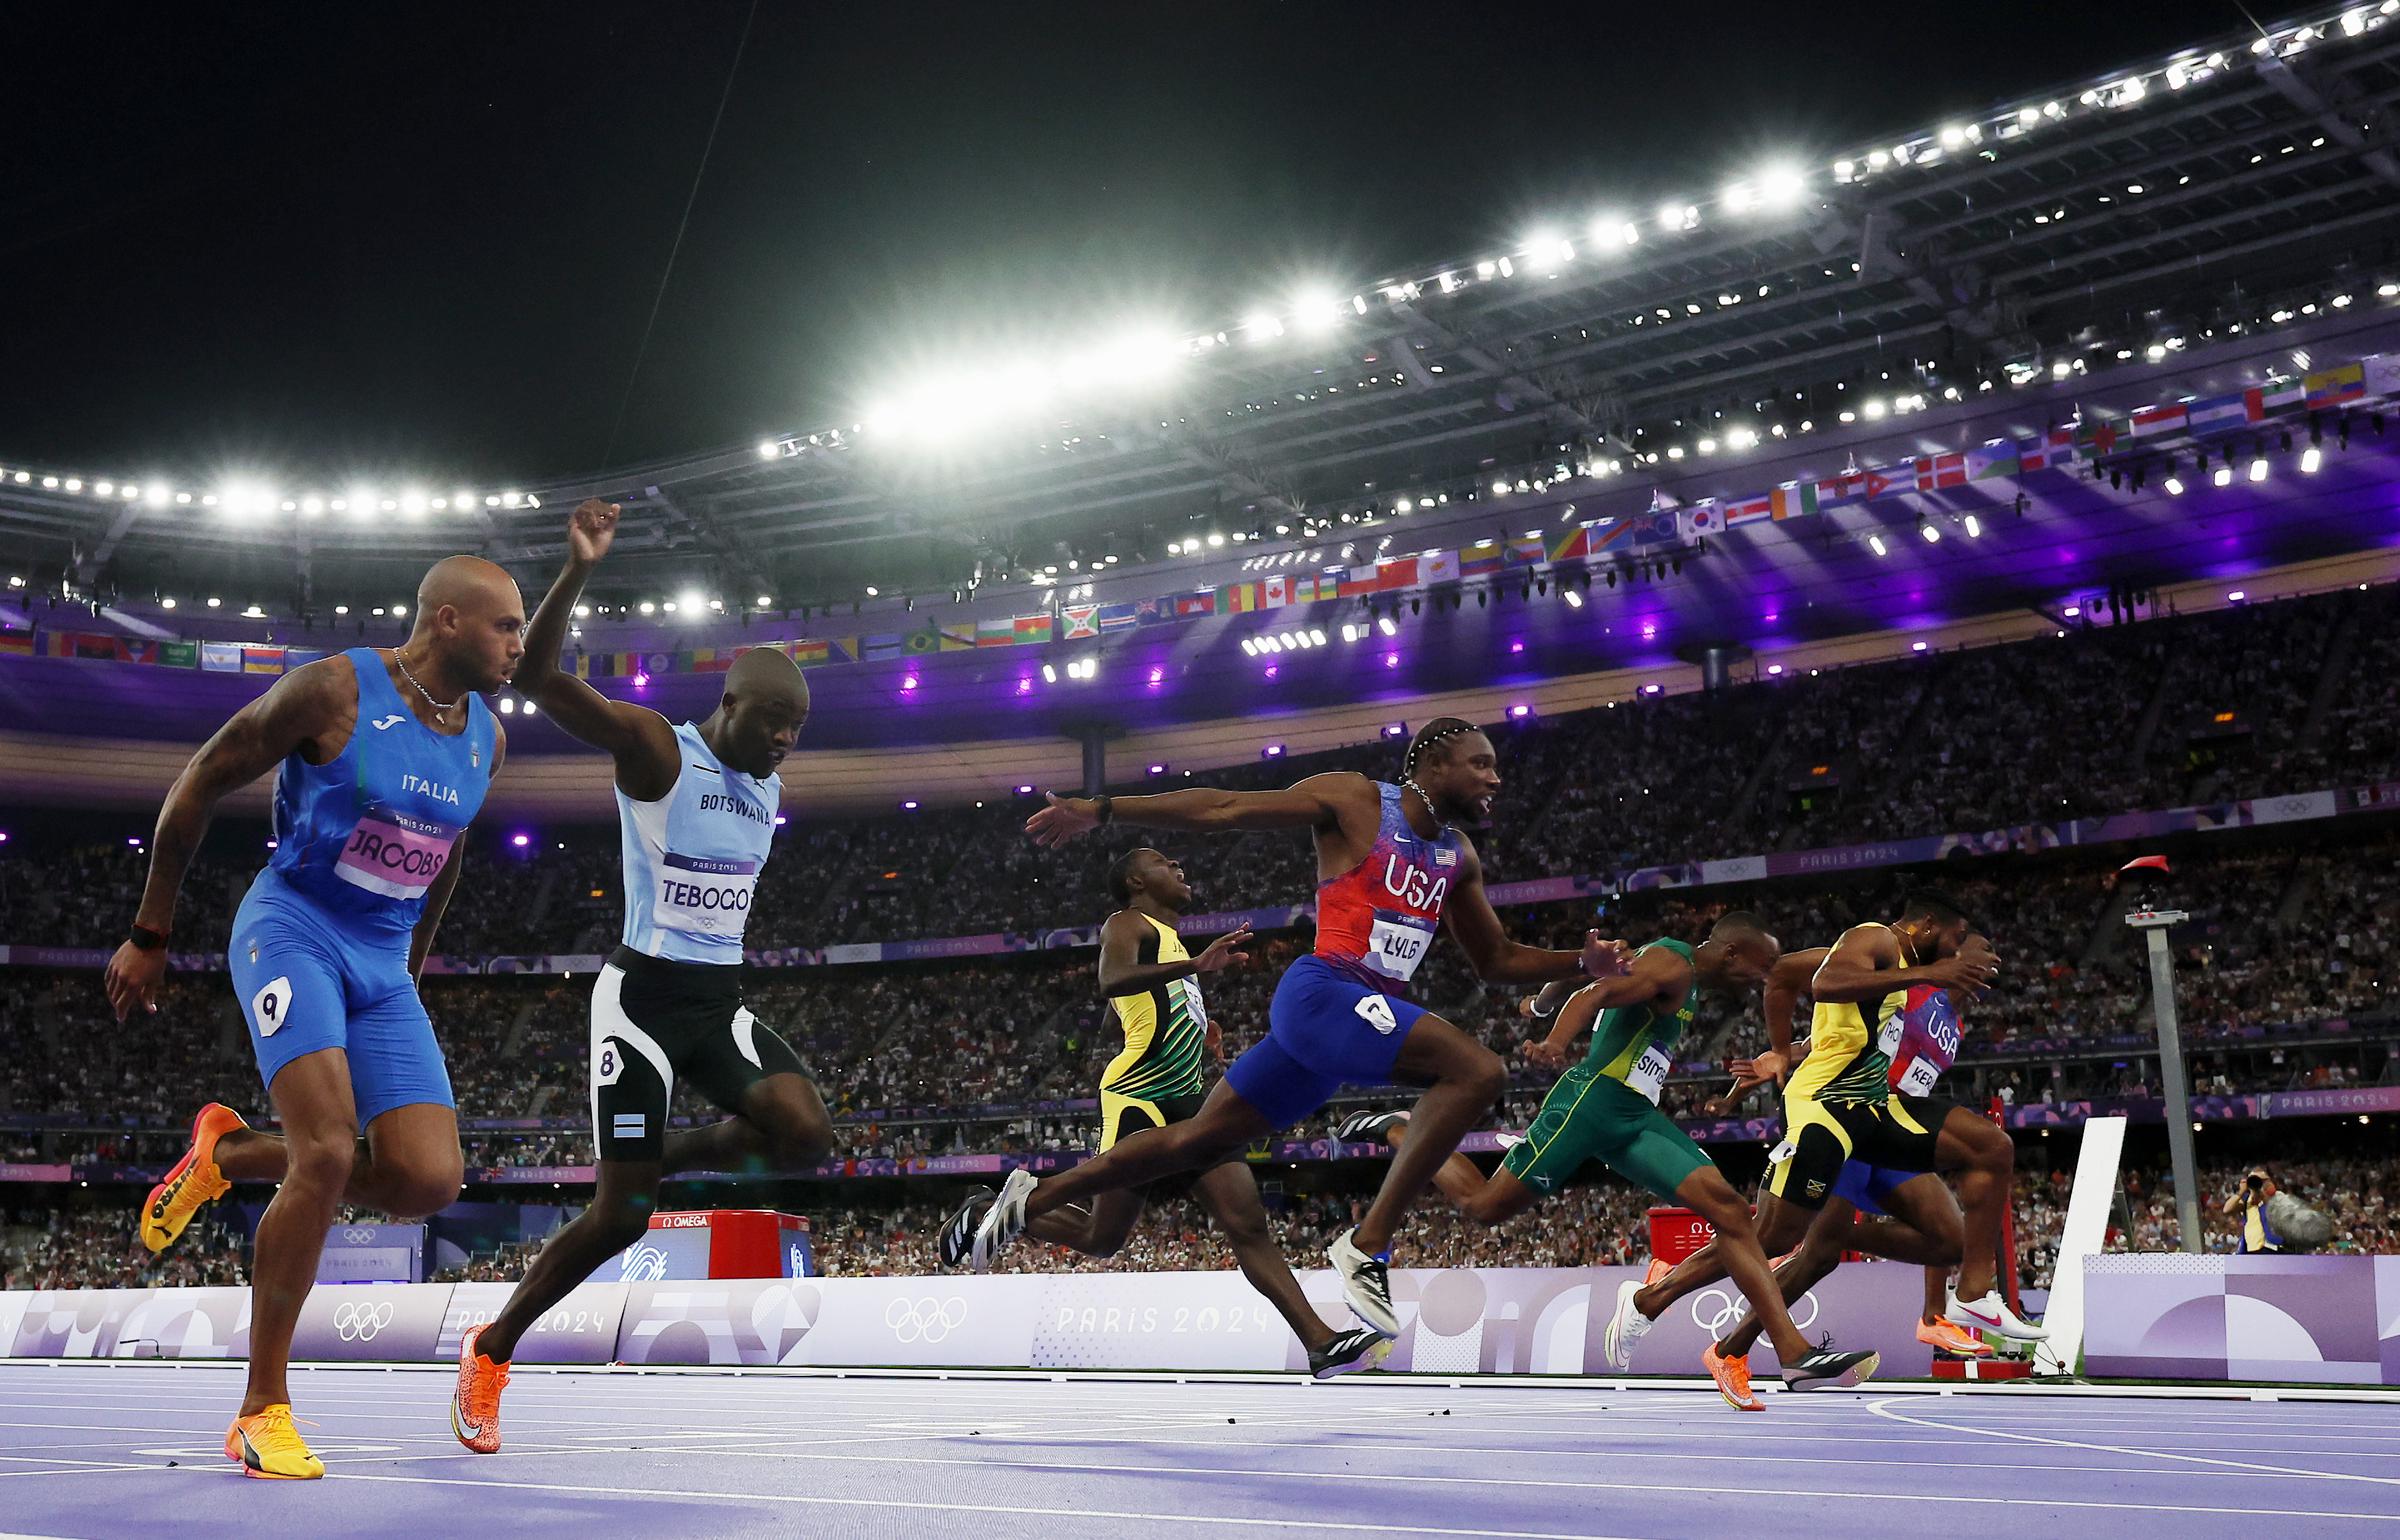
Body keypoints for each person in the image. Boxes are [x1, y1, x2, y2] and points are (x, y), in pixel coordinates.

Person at [973, 718, 1631, 1336]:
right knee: (1479, 1071)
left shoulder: (1457, 856)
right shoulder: (1355, 801)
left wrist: (1581, 961)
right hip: (1322, 995)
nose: (1496, 778)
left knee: (1195, 1142)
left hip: (1337, 1037)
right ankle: (1366, 1244)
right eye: (1481, 764)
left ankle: (1032, 1198)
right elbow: (1225, 808)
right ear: (1434, 763)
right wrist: (1106, 808)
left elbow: (1497, 959)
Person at [106, 555, 524, 1478]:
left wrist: (408, 969)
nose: (518, 647)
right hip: (292, 927)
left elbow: (444, 855)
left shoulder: (486, 740)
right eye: (507, 628)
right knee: (330, 1150)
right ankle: (262, 1407)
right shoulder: (333, 690)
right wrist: (151, 930)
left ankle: (227, 1155)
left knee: (426, 1181)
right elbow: (203, 778)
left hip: (380, 960)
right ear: (448, 620)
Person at [449, 499, 835, 1453]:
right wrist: (578, 569)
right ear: (730, 705)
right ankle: (493, 1348)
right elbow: (534, 676)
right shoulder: (660, 749)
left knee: (806, 1137)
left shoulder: (769, 787)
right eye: (775, 723)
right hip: (641, 1001)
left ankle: (666, 1149)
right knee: (622, 1216)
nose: (787, 742)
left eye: (798, 729)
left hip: (717, 1003)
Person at [1335, 917, 1881, 1402]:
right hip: (1591, 1102)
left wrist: (1545, 998)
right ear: (1732, 953)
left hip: (1636, 1114)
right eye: (1761, 968)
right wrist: (1555, 1039)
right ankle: (1403, 1132)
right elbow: (1595, 993)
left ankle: (1792, 1353)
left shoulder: (1676, 973)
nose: (1765, 980)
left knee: (1732, 1213)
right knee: (1484, 1207)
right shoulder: (1671, 962)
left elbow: (1585, 974)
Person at [936, 847, 1390, 1378]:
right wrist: (1194, 968)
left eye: (1179, 860)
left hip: (1190, 1095)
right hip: (1140, 1091)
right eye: (1164, 863)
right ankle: (1007, 1203)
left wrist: (1199, 1028)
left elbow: (1127, 1012)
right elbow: (1112, 980)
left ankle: (1320, 1342)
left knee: (1241, 1223)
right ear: (1135, 880)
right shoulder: (1126, 922)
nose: (1179, 866)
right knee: (1106, 1237)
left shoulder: (1170, 941)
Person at [1605, 892, 2041, 1408]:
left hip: (1883, 1121)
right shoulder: (1890, 954)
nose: (1986, 966)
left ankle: (1942, 1296)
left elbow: (1861, 1034)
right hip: (1836, 1116)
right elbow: (1795, 976)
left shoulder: (1952, 1019)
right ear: (1937, 936)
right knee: (1780, 1240)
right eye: (1975, 949)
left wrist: (1793, 1053)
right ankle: (1668, 1308)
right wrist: (1780, 1053)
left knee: (1946, 1237)